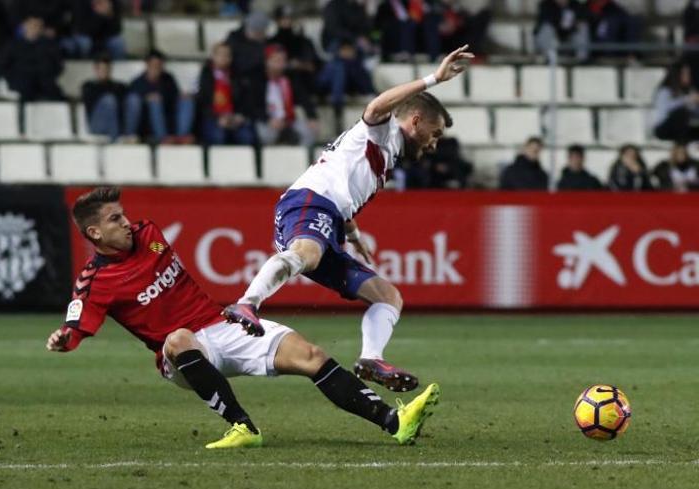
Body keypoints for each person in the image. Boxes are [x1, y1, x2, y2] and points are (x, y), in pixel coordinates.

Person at [46, 186, 440, 448]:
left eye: (124, 214)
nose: (127, 222)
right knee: (178, 337)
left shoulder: (148, 231)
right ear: (94, 233)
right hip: (182, 355)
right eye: (115, 219)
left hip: (221, 325)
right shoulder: (95, 280)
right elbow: (77, 323)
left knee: (311, 355)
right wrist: (66, 337)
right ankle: (242, 428)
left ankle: (394, 421)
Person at [223, 46, 473, 394]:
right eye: (434, 134)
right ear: (415, 120)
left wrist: (352, 233)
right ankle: (247, 304)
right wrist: (433, 78)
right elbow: (374, 107)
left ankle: (371, 358)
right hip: (308, 203)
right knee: (306, 253)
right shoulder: (382, 131)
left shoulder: (387, 154)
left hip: (331, 218)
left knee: (389, 297)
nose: (433, 145)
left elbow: (345, 187)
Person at [319, 0, 376, 133]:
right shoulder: (332, 6)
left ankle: (364, 95)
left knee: (353, 60)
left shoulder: (358, 8)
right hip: (334, 46)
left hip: (354, 47)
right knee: (341, 64)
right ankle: (367, 91)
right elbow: (333, 30)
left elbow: (366, 29)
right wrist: (352, 41)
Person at [123, 49, 195, 144]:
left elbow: (174, 99)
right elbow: (133, 107)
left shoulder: (168, 79)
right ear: (147, 65)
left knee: (187, 101)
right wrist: (148, 99)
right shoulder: (137, 83)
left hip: (168, 118)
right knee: (154, 102)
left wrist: (182, 96)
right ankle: (163, 138)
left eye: (159, 65)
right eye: (154, 65)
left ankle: (181, 136)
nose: (156, 68)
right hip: (148, 125)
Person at [252, 45, 319, 147]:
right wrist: (268, 119)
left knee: (310, 132)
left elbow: (304, 98)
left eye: (283, 60)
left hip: (289, 119)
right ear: (267, 62)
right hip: (268, 120)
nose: (280, 64)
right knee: (265, 134)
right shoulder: (258, 81)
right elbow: (253, 105)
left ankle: (301, 159)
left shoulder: (290, 78)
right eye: (276, 60)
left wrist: (312, 116)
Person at [0, 16, 65, 101]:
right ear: (24, 26)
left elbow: (58, 65)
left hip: (44, 82)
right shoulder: (12, 46)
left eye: (38, 25)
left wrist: (47, 75)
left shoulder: (50, 46)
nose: (34, 28)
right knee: (24, 90)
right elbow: (0, 65)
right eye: (31, 25)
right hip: (20, 82)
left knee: (55, 94)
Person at [196, 43, 255, 145]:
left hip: (233, 117)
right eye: (220, 54)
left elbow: (244, 100)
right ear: (213, 56)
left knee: (247, 136)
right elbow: (203, 103)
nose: (224, 58)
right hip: (213, 118)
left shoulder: (237, 76)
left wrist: (239, 116)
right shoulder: (206, 75)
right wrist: (218, 118)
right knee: (218, 135)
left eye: (227, 55)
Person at [269, 6, 322, 93]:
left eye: (290, 18)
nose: (287, 21)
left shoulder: (304, 41)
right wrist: (290, 65)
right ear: (277, 21)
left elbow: (315, 63)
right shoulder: (272, 42)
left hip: (306, 81)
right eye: (284, 19)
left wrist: (301, 65)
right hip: (282, 83)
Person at [374, 0, 442, 62]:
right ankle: (404, 54)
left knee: (428, 26)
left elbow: (417, 17)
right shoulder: (384, 6)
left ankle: (433, 55)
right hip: (393, 35)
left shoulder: (407, 3)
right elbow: (378, 25)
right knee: (406, 27)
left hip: (412, 32)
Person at [81, 55, 128, 141]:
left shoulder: (119, 86)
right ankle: (114, 140)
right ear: (96, 69)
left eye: (106, 69)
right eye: (101, 69)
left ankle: (125, 135)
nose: (104, 72)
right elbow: (90, 107)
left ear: (110, 69)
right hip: (96, 125)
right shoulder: (88, 86)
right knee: (109, 100)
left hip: (115, 123)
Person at [651, 61, 699, 142]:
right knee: (681, 112)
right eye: (685, 73)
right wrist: (687, 100)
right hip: (664, 128)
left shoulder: (689, 91)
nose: (689, 76)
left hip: (683, 127)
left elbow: (694, 114)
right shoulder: (665, 91)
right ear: (677, 75)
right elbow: (666, 110)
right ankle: (681, 144)